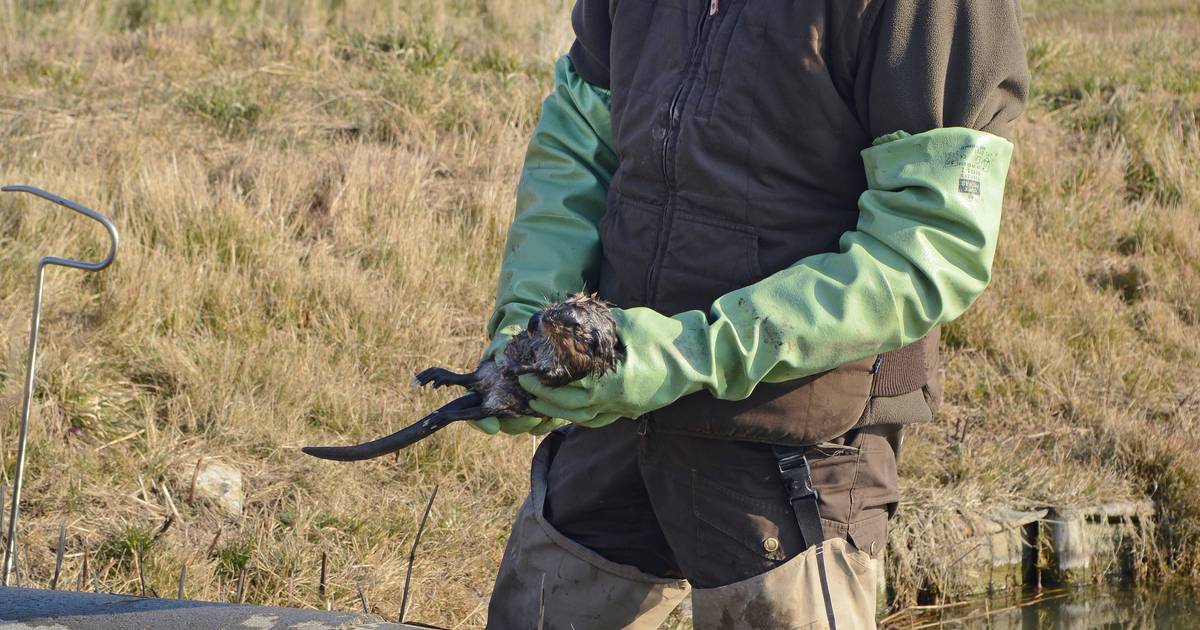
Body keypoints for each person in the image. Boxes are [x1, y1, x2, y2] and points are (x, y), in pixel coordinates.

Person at [477, 1, 1029, 628]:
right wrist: (530, 323)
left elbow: (927, 245)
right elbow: (581, 135)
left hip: (790, 448)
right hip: (612, 416)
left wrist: (692, 352)